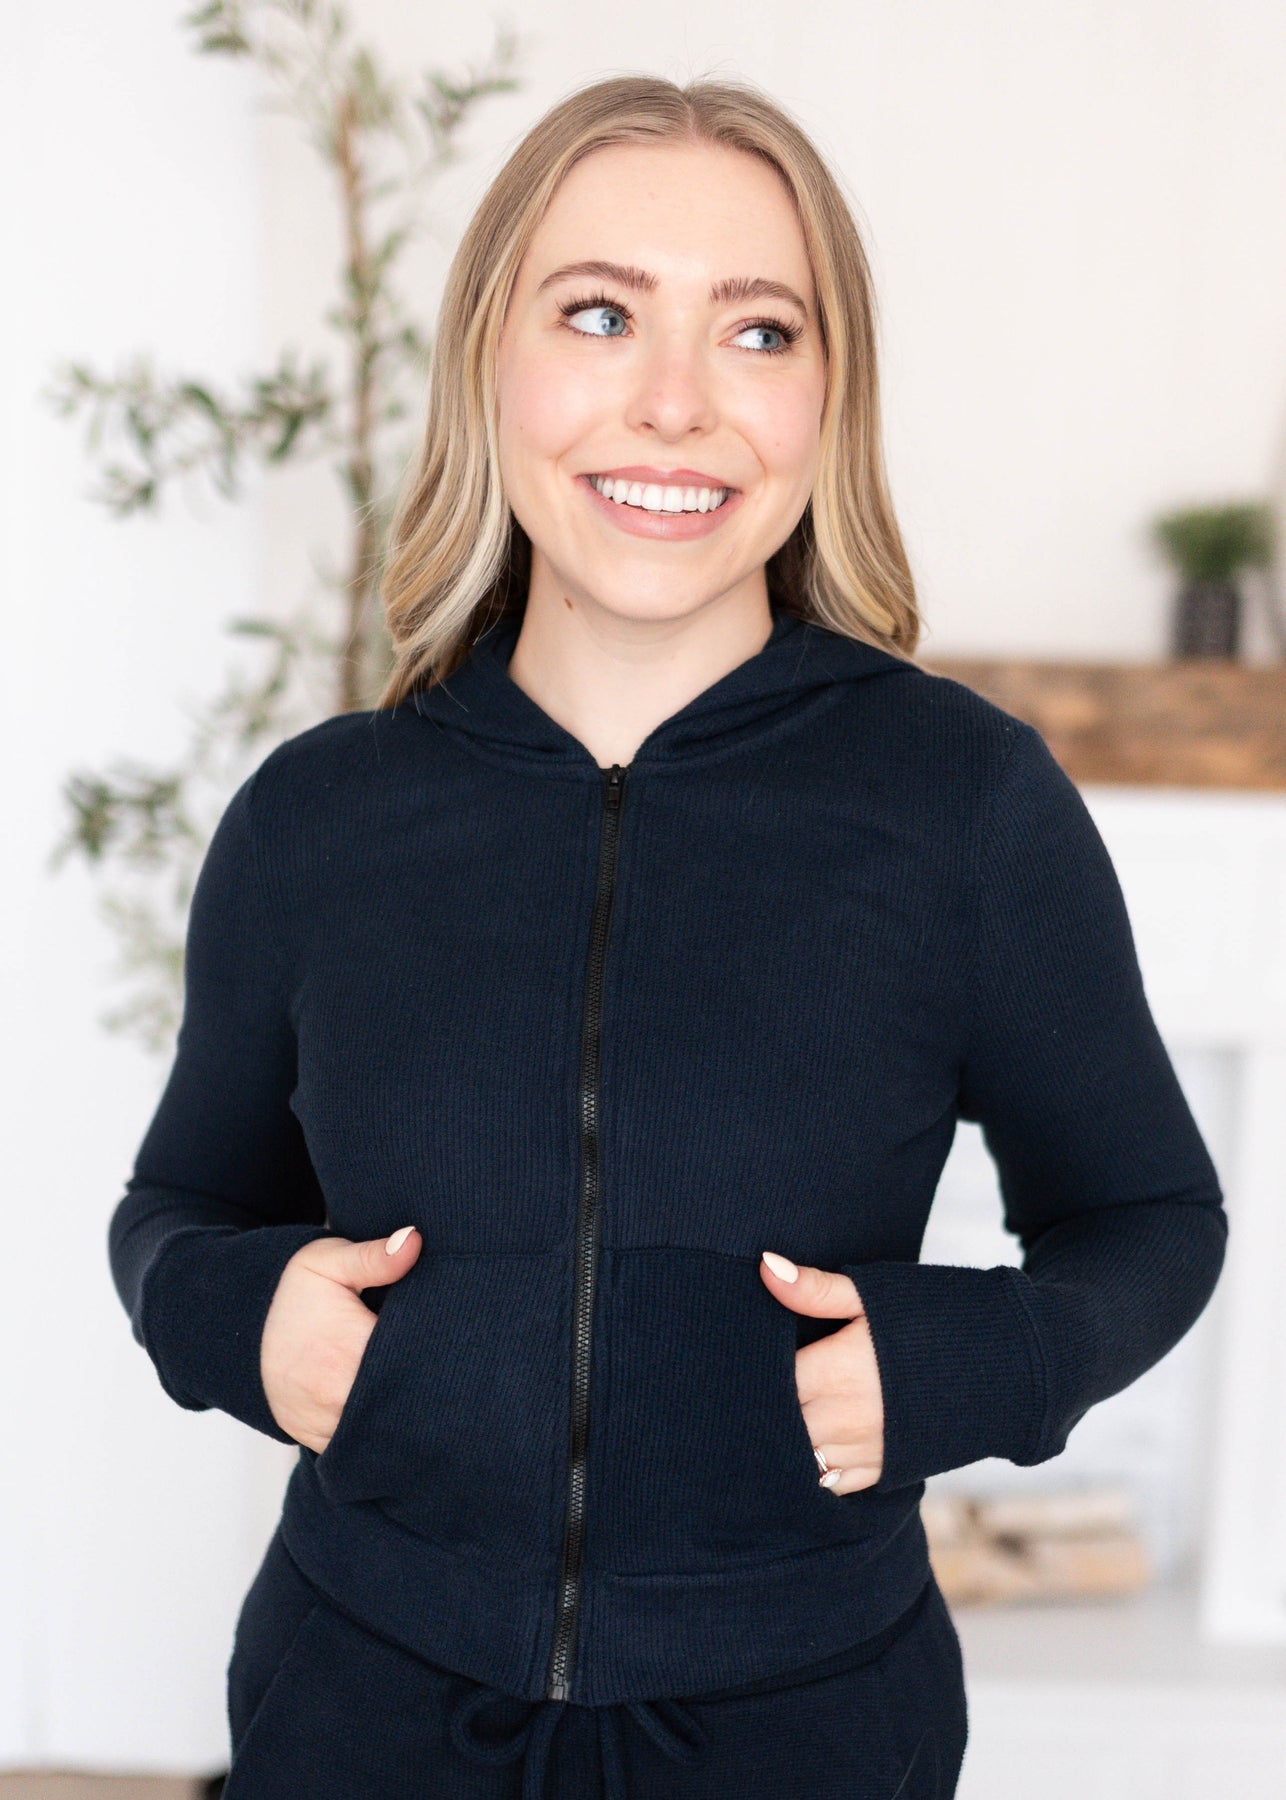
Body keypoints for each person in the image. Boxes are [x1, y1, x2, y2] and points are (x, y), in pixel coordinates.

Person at [107, 73, 1227, 1800]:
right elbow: (177, 1204)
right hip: (361, 1702)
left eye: (759, 330)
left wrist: (978, 1361)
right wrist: (230, 1311)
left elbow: (1147, 1215)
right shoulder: (315, 817)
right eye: (600, 313)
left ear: (828, 397)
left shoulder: (964, 804)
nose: (676, 402)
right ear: (490, 357)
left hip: (805, 1723)